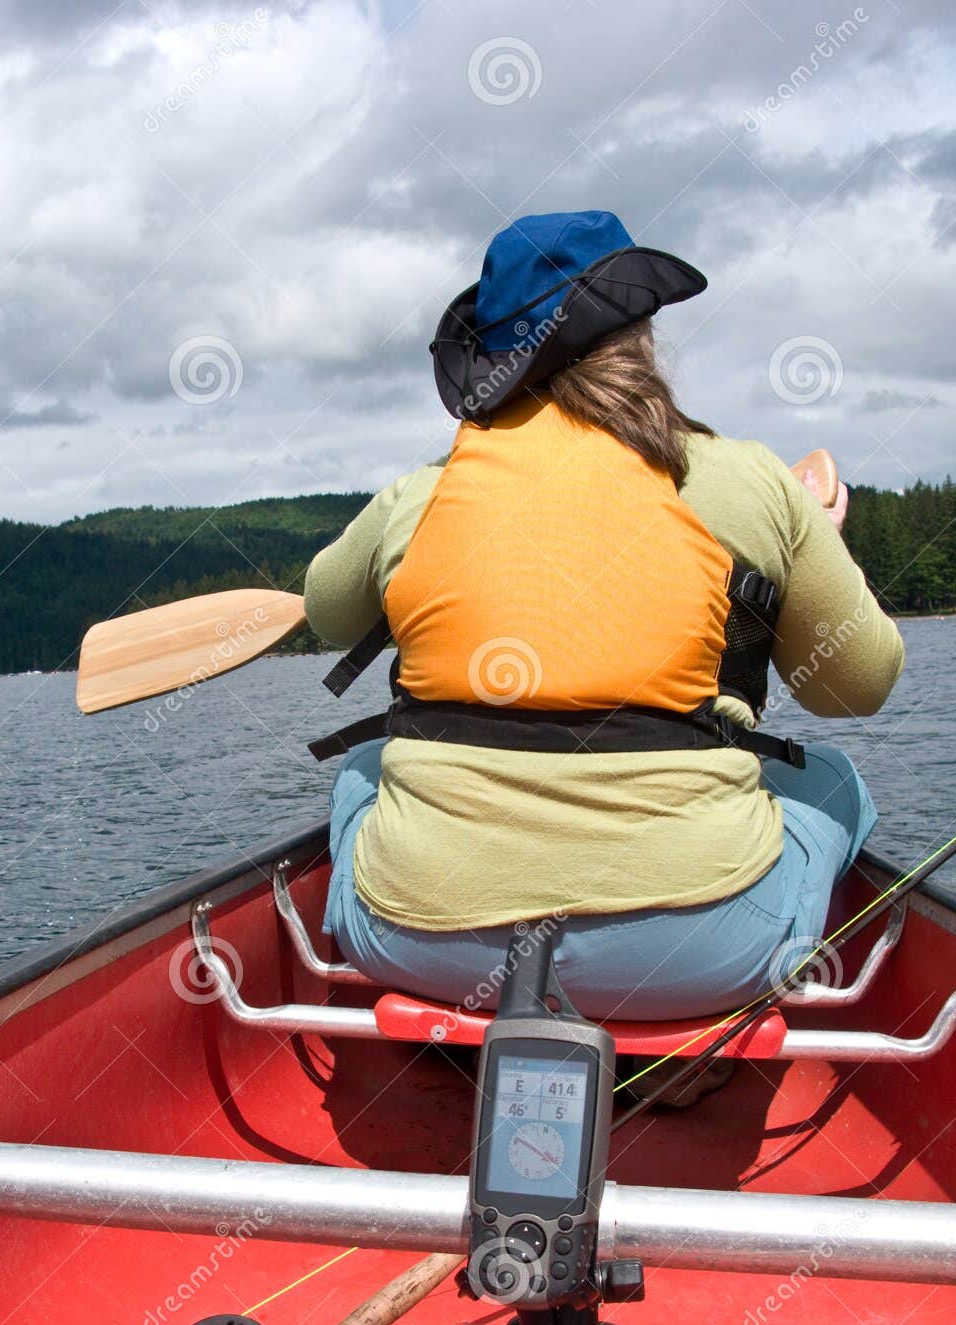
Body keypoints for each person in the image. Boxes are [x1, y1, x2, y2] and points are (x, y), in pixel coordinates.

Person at [304, 210, 904, 1055]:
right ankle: (681, 1057)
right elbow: (859, 686)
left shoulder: (424, 493)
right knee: (834, 782)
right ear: (641, 334)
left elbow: (327, 613)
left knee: (364, 769)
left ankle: (483, 1044)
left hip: (418, 943)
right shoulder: (750, 481)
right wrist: (815, 541)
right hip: (696, 954)